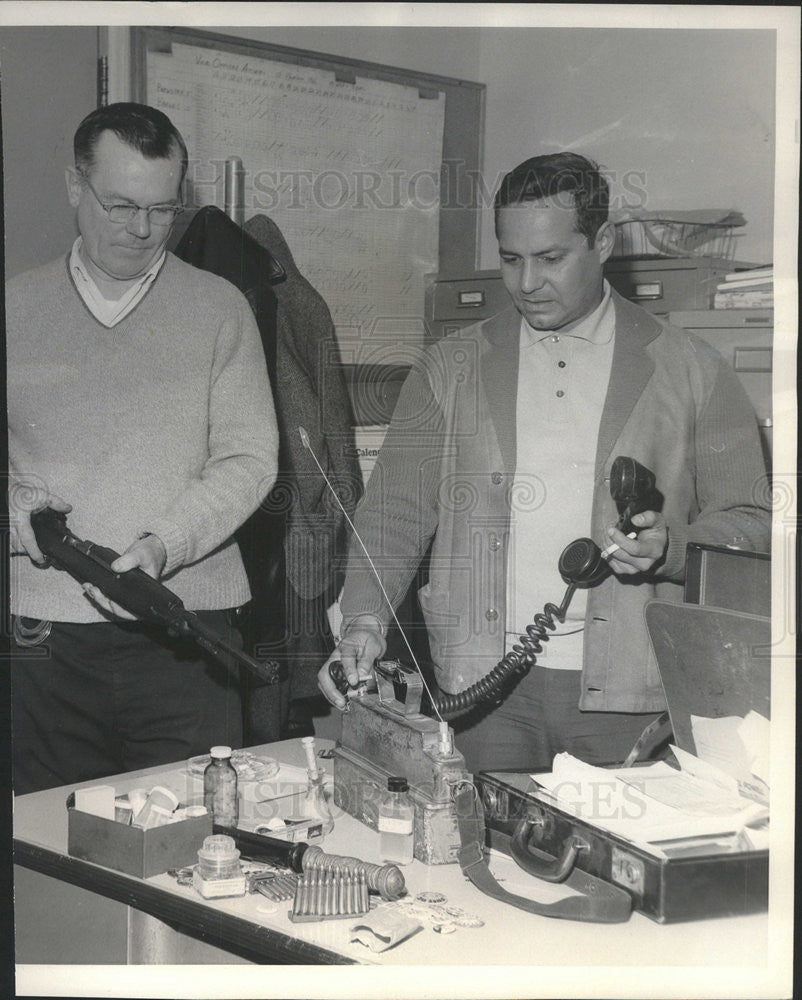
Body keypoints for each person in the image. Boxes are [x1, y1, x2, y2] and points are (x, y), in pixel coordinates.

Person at [317, 151, 771, 774]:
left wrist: (675, 546)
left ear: (603, 241)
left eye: (551, 258)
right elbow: (394, 510)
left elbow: (753, 524)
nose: (527, 282)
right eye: (510, 258)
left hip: (633, 694)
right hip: (482, 691)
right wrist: (363, 618)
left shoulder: (694, 369)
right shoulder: (449, 366)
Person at [7, 103, 279, 794]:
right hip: (46, 638)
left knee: (195, 847)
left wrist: (166, 544)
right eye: (121, 204)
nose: (142, 229)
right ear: (75, 186)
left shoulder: (222, 309)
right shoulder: (14, 310)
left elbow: (250, 458)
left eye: (162, 209)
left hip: (188, 630)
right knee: (55, 854)